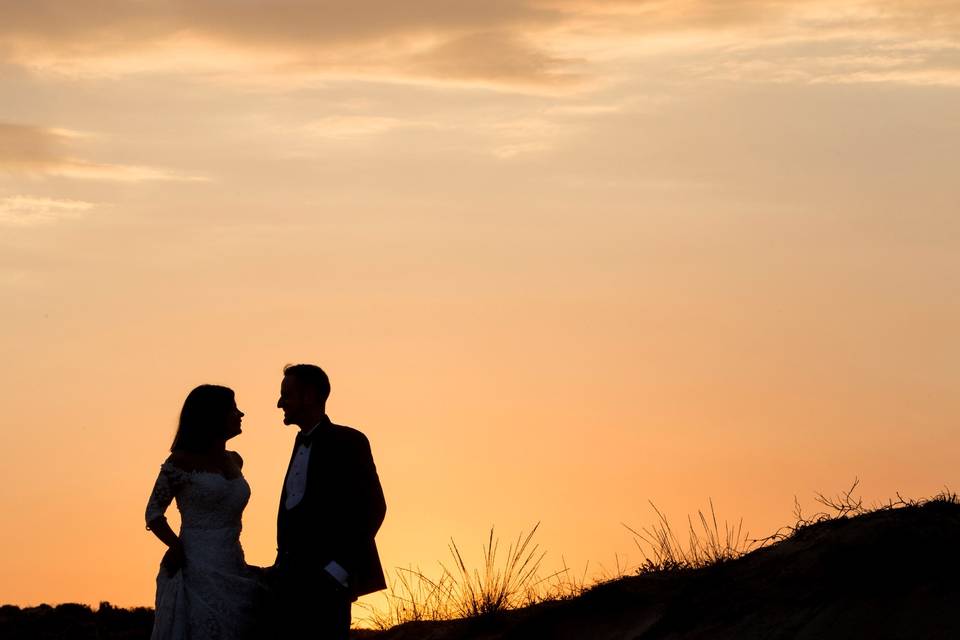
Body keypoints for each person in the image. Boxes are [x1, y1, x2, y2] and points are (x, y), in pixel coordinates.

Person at [269, 364, 387, 639]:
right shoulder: (299, 443)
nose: (279, 403)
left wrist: (338, 570)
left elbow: (373, 508)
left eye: (286, 395)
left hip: (328, 585)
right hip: (288, 585)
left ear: (308, 396)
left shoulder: (350, 441)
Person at [145, 384, 264, 640]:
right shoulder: (180, 462)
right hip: (194, 565)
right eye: (233, 409)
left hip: (232, 560)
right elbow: (153, 513)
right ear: (213, 416)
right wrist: (175, 546)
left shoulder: (236, 460)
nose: (240, 414)